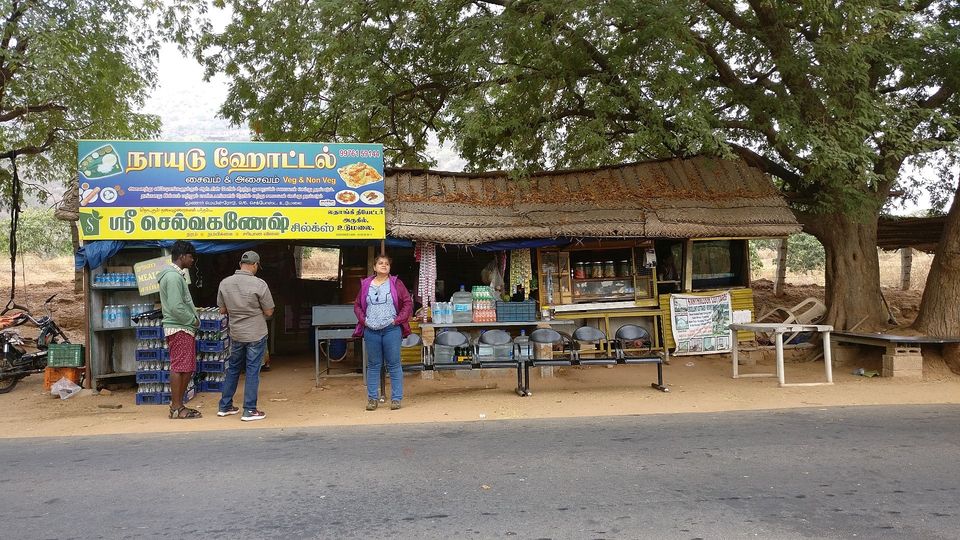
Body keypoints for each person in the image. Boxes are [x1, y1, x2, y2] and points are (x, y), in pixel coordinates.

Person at [216, 250, 274, 422]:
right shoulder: (259, 284)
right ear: (255, 265)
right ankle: (249, 410)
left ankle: (225, 406)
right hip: (256, 333)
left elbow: (222, 310)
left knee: (233, 368)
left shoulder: (225, 283)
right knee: (252, 371)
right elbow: (269, 311)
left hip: (236, 333)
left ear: (241, 264)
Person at [353, 254, 412, 411]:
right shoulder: (366, 284)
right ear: (374, 267)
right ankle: (372, 399)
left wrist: (397, 320)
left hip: (391, 330)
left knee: (393, 364)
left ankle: (396, 399)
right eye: (380, 263)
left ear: (390, 268)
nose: (384, 265)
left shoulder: (396, 283)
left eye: (387, 263)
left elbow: (407, 303)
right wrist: (364, 321)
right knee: (373, 365)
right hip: (371, 330)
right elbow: (357, 305)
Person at [158, 240, 201, 419]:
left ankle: (178, 405)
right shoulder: (173, 277)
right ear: (182, 256)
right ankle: (176, 407)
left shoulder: (174, 275)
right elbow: (176, 306)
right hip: (180, 327)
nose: (193, 261)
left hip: (181, 327)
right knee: (180, 366)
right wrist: (192, 320)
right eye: (191, 257)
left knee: (186, 367)